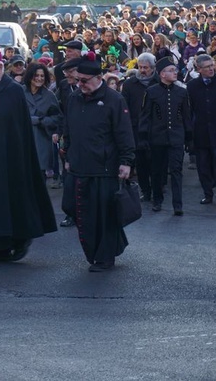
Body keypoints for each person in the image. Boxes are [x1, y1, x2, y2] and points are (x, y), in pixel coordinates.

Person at [0, 41, 57, 263]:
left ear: (0, 67)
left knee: (11, 201)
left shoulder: (13, 91)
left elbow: (1, 121)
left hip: (10, 158)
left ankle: (17, 241)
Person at [62, 52, 134, 272]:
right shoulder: (74, 98)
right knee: (73, 208)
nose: (80, 84)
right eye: (78, 80)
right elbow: (69, 128)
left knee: (104, 216)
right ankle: (105, 249)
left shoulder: (114, 99)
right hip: (78, 165)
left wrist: (126, 161)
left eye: (84, 81)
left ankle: (105, 257)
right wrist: (67, 154)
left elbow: (124, 133)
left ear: (98, 78)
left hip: (105, 167)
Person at [139, 57, 192, 215]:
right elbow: (145, 116)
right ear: (162, 74)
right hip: (157, 137)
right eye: (171, 70)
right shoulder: (151, 91)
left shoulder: (182, 92)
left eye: (175, 70)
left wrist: (189, 138)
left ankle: (178, 204)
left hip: (176, 136)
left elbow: (186, 116)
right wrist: (142, 137)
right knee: (156, 170)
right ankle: (157, 200)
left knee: (176, 170)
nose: (175, 72)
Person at [186, 54, 216, 206]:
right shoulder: (192, 86)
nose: (212, 69)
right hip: (201, 133)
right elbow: (189, 110)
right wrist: (190, 132)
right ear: (199, 69)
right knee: (203, 166)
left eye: (212, 65)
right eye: (207, 67)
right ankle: (208, 194)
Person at [120, 53, 158, 202]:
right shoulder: (130, 84)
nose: (142, 70)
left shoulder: (158, 82)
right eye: (140, 67)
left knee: (156, 162)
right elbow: (124, 106)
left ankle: (158, 188)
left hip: (156, 129)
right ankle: (146, 191)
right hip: (136, 129)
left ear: (152, 68)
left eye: (146, 68)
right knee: (141, 163)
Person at [22, 63, 62, 179]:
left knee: (39, 179)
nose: (39, 78)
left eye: (42, 76)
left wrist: (40, 120)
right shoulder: (19, 92)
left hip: (41, 141)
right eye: (36, 75)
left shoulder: (49, 96)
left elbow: (57, 118)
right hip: (22, 139)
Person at [56, 57, 82, 227]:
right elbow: (59, 109)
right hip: (69, 135)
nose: (68, 76)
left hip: (86, 137)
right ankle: (70, 214)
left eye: (71, 72)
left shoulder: (87, 87)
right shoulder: (64, 87)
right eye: (65, 72)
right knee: (69, 177)